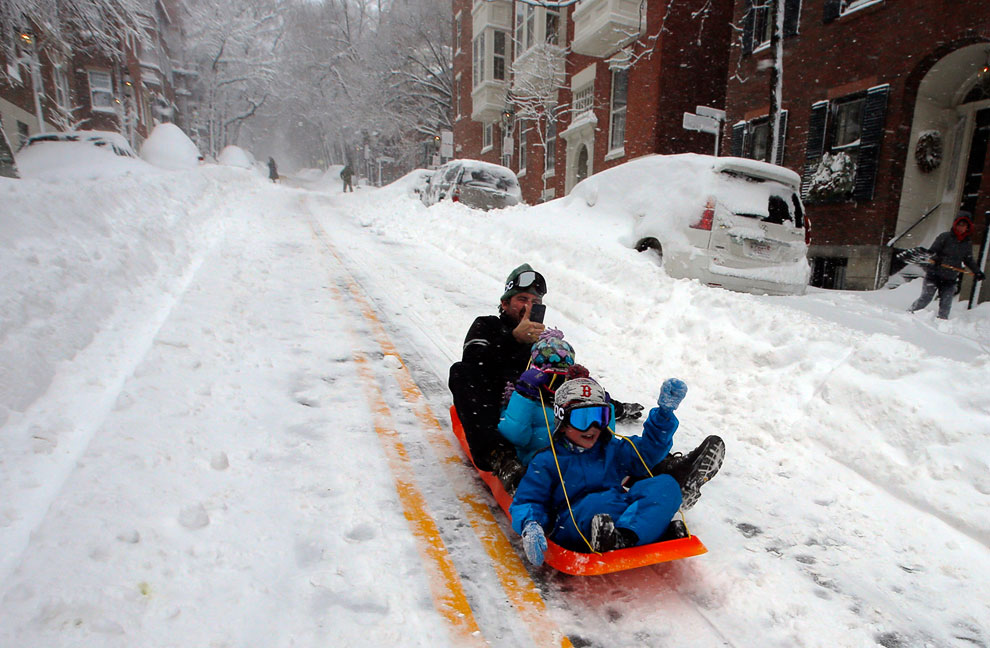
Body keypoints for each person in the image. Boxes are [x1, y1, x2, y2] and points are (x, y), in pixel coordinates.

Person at [510, 377, 725, 565]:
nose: (593, 427)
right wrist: (531, 525)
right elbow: (528, 501)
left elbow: (647, 454)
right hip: (574, 522)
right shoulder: (547, 461)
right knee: (596, 503)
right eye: (583, 419)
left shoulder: (611, 448)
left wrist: (664, 414)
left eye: (599, 417)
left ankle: (626, 537)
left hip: (616, 513)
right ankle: (646, 531)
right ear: (563, 422)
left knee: (666, 485)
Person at [449, 264, 548, 490]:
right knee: (461, 372)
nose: (529, 306)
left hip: (530, 409)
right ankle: (499, 457)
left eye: (536, 302)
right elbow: (474, 361)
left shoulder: (542, 339)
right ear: (505, 303)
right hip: (491, 404)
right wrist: (514, 339)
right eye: (522, 299)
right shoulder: (487, 325)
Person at [909, 211, 985, 320]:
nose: (961, 227)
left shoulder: (967, 243)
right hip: (934, 275)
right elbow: (932, 252)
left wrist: (977, 271)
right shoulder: (945, 237)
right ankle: (908, 315)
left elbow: (968, 260)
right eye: (959, 224)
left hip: (950, 278)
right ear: (955, 224)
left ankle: (942, 325)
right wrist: (937, 258)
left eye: (964, 225)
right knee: (926, 298)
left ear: (968, 228)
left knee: (946, 304)